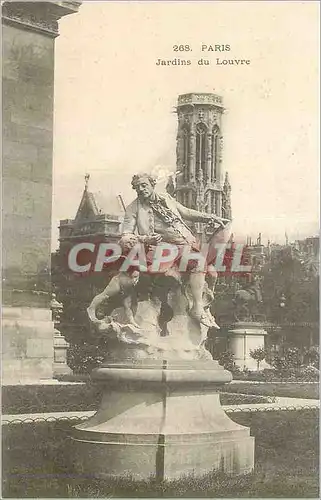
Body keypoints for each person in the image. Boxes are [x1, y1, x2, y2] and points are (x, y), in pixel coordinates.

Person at [120, 173, 230, 327]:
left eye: (144, 185)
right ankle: (197, 309)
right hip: (161, 249)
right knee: (199, 264)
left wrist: (211, 217)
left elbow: (186, 212)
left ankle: (203, 307)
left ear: (152, 185)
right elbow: (125, 236)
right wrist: (145, 239)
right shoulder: (133, 208)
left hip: (186, 244)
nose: (141, 189)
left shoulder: (166, 198)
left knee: (211, 272)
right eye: (137, 187)